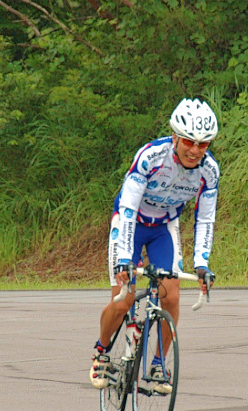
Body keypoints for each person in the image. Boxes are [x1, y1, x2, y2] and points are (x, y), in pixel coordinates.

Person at [90, 98, 219, 392]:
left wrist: (202, 263)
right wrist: (124, 257)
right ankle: (101, 350)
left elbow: (206, 218)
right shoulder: (151, 156)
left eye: (203, 144)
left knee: (171, 296)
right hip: (130, 224)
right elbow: (128, 208)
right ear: (175, 136)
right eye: (188, 141)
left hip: (164, 227)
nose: (195, 150)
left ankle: (159, 363)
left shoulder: (209, 171)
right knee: (123, 300)